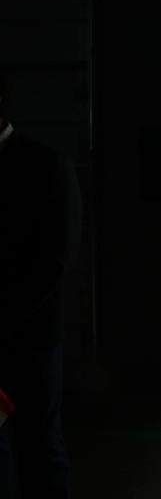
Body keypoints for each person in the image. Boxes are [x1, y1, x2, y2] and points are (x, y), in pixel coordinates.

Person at [0, 75, 82, 498]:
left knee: (39, 443)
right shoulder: (44, 164)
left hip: (31, 337)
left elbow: (56, 260)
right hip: (24, 329)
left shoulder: (47, 166)